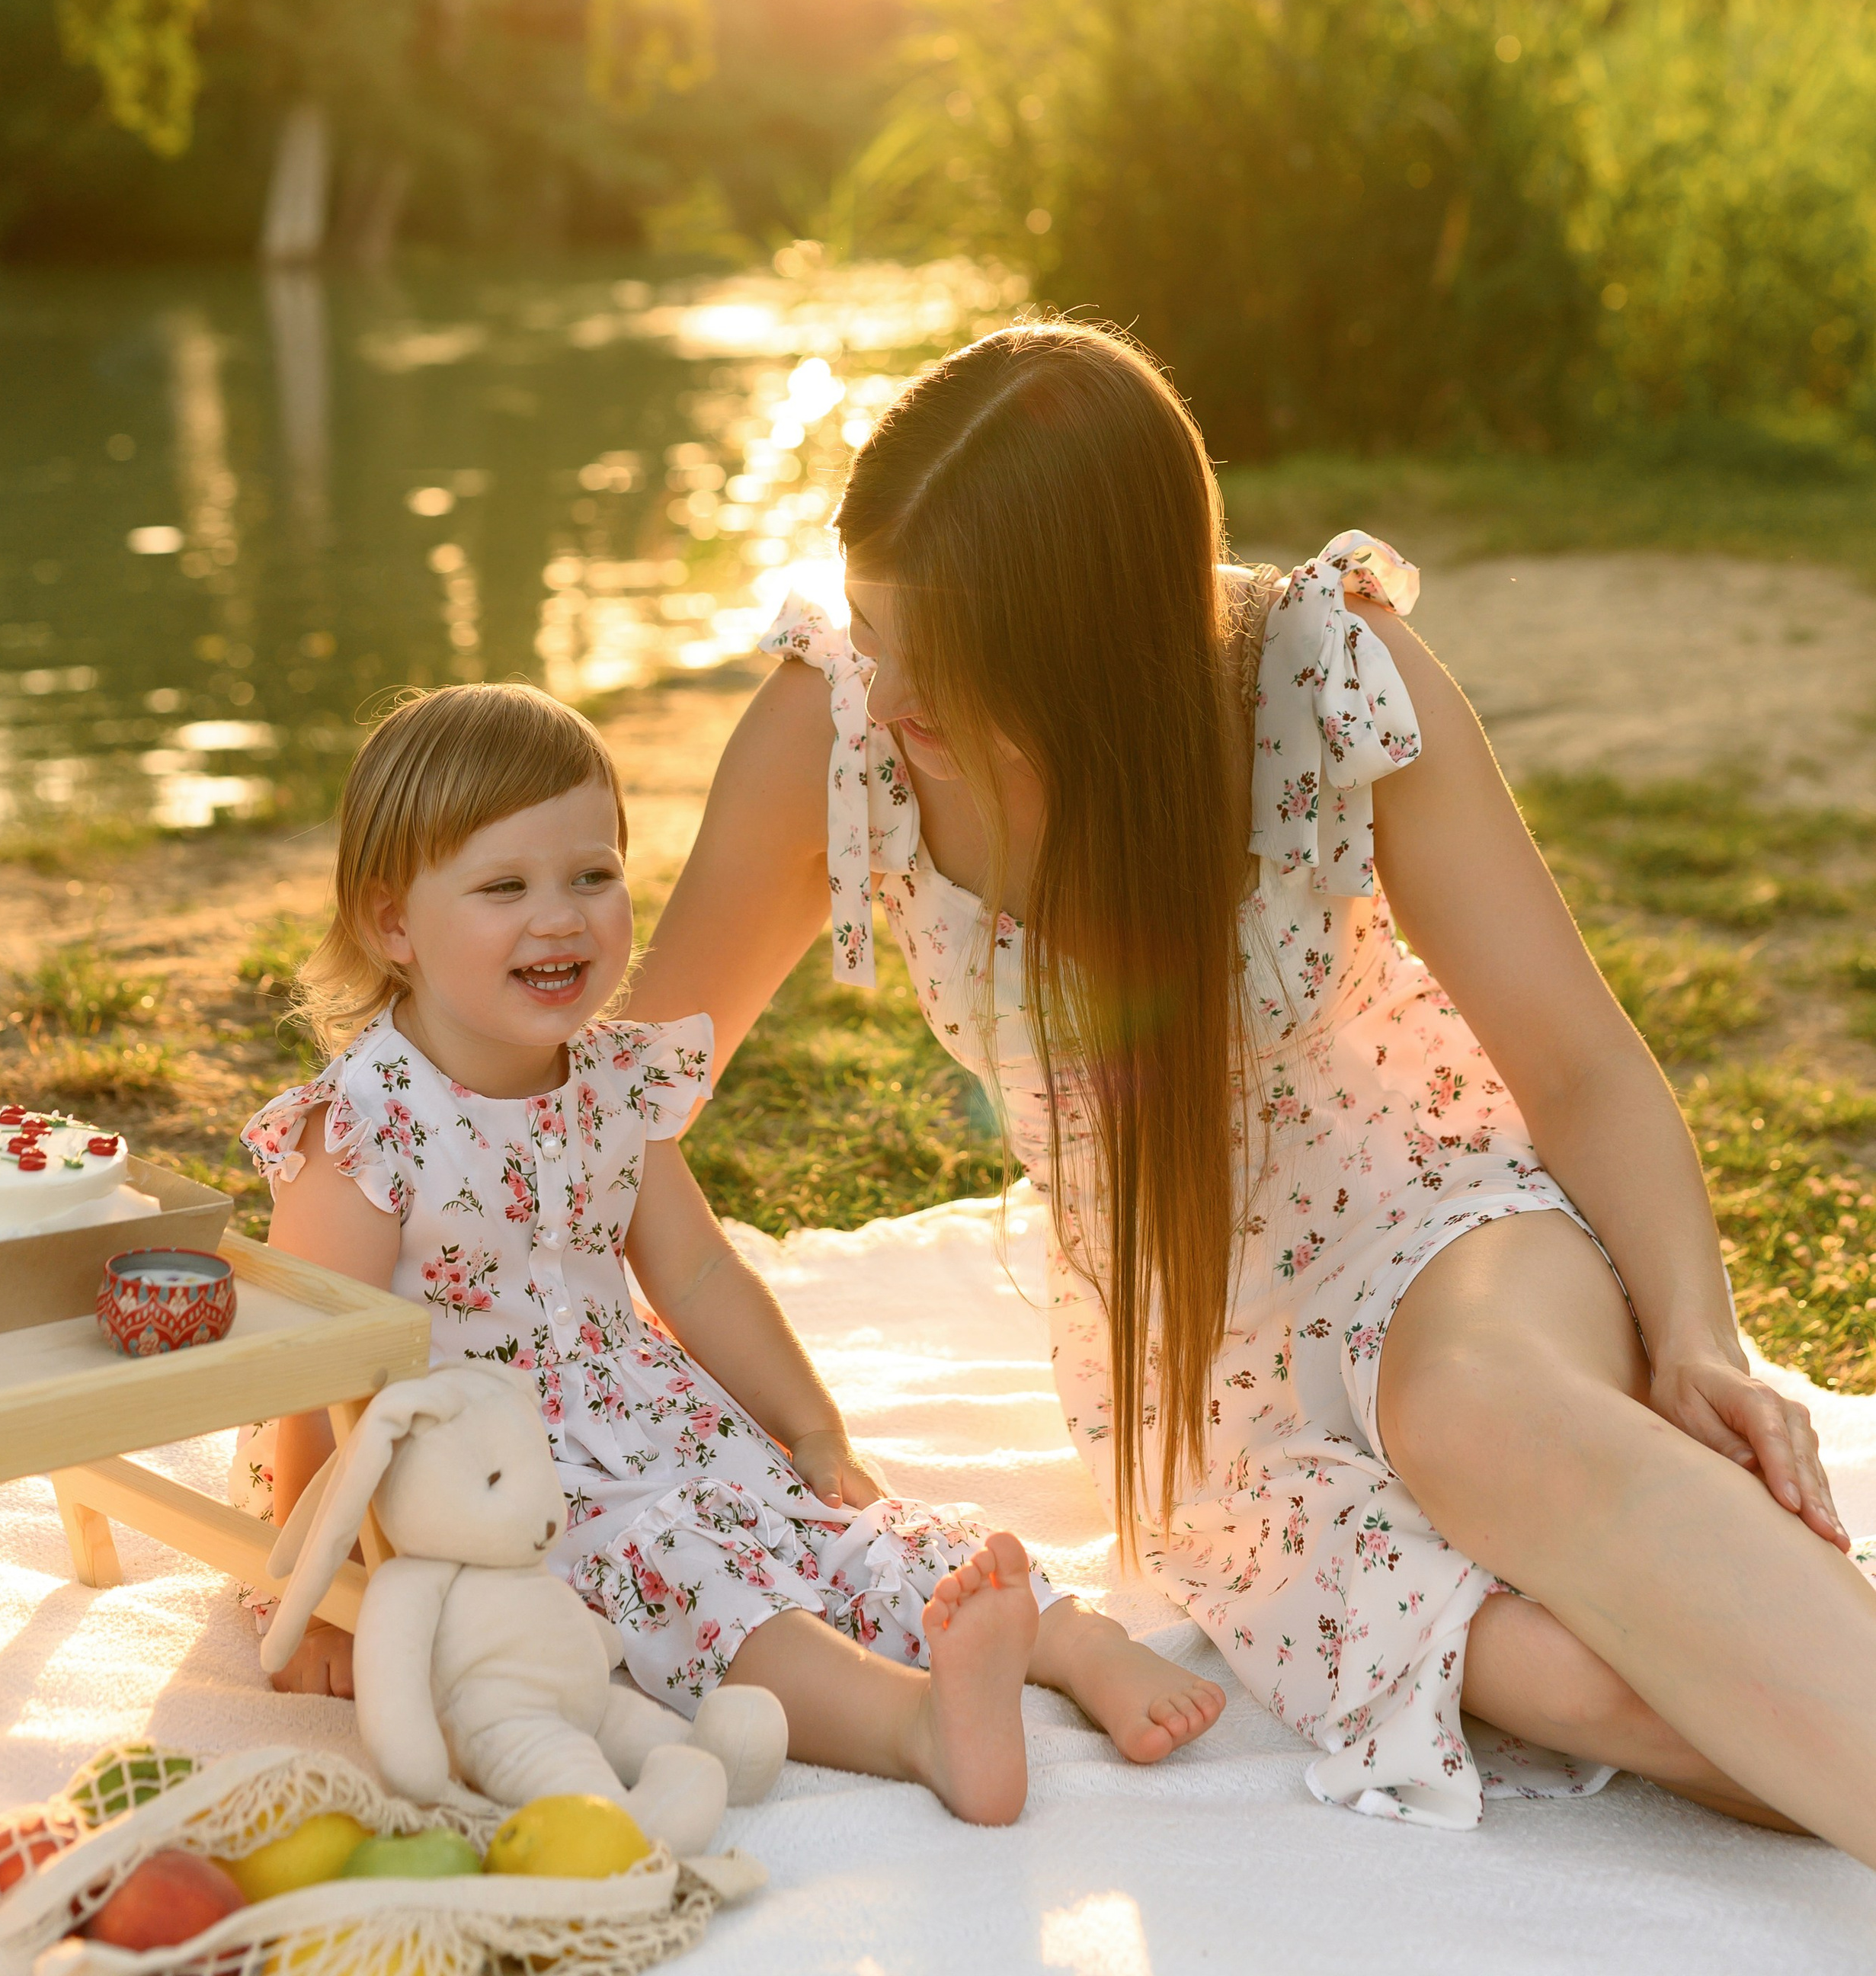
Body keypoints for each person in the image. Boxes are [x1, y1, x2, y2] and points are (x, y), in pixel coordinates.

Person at [627, 316, 1876, 1850]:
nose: (884, 693)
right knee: (1571, 1669)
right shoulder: (839, 735)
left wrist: (1695, 1331)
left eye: (931, 659)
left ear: (1085, 642)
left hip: (1435, 1217)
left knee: (1472, 1412)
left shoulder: (1310, 673)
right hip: (1192, 1358)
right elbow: (612, 1104)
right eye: (875, 633)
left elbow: (1571, 1056)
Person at [239, 679, 1223, 1825]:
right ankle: (912, 1725)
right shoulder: (366, 1121)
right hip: (474, 1462)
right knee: (682, 1574)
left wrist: (808, 1425)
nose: (560, 917)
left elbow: (698, 1273)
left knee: (813, 1520)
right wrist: (318, 1596)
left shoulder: (611, 1077)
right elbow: (312, 1367)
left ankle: (1073, 1642)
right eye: (504, 886)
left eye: (592, 876)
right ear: (393, 922)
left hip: (639, 1403)